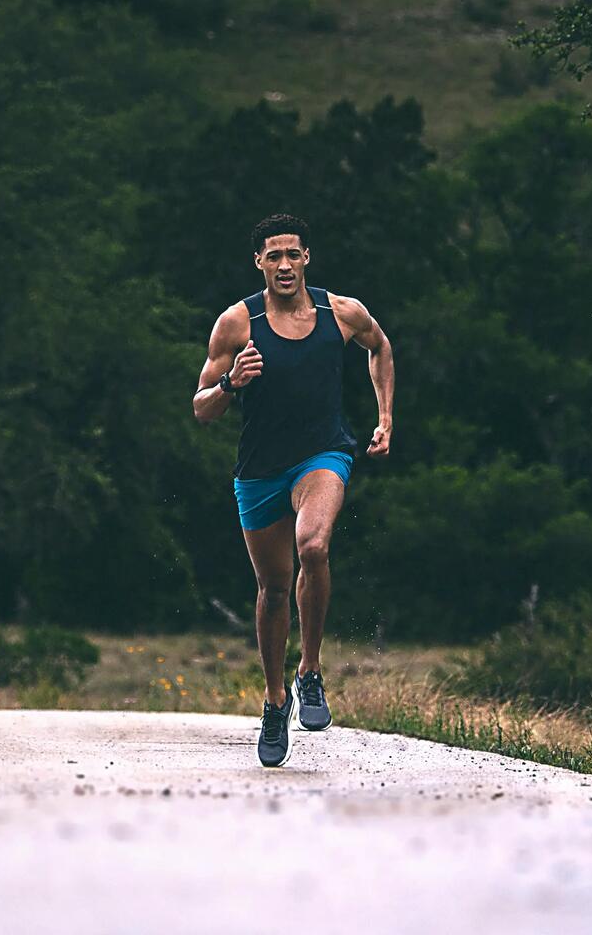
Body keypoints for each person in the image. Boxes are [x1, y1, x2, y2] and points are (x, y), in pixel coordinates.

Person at [192, 213, 394, 768]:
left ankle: (309, 671)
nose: (284, 264)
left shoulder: (341, 312)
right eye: (273, 256)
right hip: (260, 470)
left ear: (308, 258)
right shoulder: (237, 324)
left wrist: (385, 417)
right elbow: (201, 406)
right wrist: (232, 382)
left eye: (293, 254)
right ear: (258, 262)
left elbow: (380, 347)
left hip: (324, 455)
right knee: (274, 588)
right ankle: (275, 699)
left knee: (313, 546)